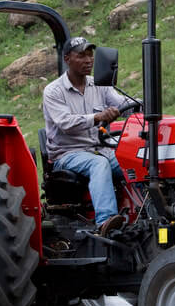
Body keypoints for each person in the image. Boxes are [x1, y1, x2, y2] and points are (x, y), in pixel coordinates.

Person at [41, 36, 129, 235]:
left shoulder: (98, 83)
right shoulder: (53, 91)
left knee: (133, 159)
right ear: (67, 59)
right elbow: (65, 123)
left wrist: (138, 104)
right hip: (67, 154)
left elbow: (121, 103)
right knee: (98, 164)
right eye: (81, 55)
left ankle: (146, 214)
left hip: (98, 147)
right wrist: (97, 117)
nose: (88, 60)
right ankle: (106, 222)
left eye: (90, 55)